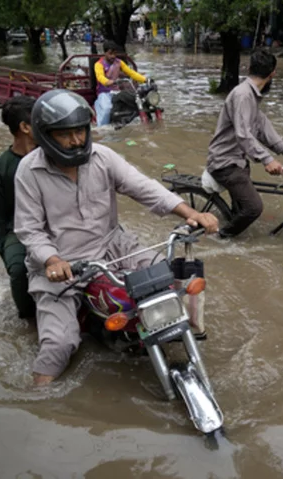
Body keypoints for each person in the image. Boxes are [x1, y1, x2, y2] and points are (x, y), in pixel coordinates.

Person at [14, 90, 218, 386]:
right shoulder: (28, 171)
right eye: (65, 135)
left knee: (171, 284)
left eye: (80, 132)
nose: (76, 141)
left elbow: (144, 188)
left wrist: (189, 212)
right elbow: (29, 231)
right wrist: (53, 260)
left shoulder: (103, 157)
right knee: (58, 345)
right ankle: (37, 401)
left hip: (113, 247)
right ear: (45, 135)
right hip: (62, 266)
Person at [206, 50, 283, 238]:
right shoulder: (243, 95)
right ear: (273, 73)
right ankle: (220, 237)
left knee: (240, 210)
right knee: (254, 208)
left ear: (250, 68)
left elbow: (265, 130)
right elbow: (243, 135)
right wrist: (267, 160)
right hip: (225, 162)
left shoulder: (251, 96)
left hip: (239, 161)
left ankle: (233, 234)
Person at [0, 96, 39, 320]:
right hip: (17, 230)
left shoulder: (51, 156)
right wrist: (7, 253)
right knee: (19, 270)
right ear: (25, 127)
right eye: (39, 120)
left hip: (55, 222)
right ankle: (28, 319)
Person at [94, 40, 147, 126]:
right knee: (107, 109)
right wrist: (108, 82)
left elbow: (131, 73)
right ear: (105, 52)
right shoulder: (98, 64)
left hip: (117, 92)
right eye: (110, 53)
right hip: (104, 92)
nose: (113, 56)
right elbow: (100, 77)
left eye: (115, 53)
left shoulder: (119, 62)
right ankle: (102, 129)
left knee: (135, 103)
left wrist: (145, 80)